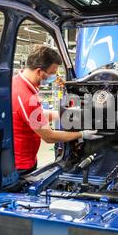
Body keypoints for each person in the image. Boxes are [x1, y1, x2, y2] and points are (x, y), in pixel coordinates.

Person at [12, 45, 101, 175]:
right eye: (53, 73)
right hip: (20, 166)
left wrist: (61, 115)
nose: (54, 76)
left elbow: (34, 116)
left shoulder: (17, 82)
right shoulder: (26, 97)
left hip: (19, 158)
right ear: (39, 72)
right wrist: (81, 134)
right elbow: (49, 136)